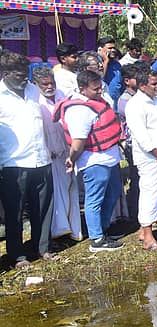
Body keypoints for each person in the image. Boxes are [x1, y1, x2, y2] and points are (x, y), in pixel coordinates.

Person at [55, 70, 125, 252]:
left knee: (113, 192)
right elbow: (78, 142)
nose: (100, 91)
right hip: (94, 161)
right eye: (95, 89)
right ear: (82, 89)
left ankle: (103, 229)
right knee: (94, 199)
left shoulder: (96, 100)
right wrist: (71, 159)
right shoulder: (78, 110)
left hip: (110, 158)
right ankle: (97, 239)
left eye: (100, 87)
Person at [0, 50, 53, 268]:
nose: (24, 79)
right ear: (5, 73)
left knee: (43, 208)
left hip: (42, 159)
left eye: (25, 74)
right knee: (15, 212)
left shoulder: (33, 90)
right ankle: (18, 255)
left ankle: (43, 248)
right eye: (19, 75)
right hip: (14, 163)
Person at [32, 66, 83, 242]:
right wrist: (48, 150)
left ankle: (74, 229)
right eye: (44, 84)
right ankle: (58, 231)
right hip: (49, 155)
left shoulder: (62, 95)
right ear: (36, 84)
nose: (49, 87)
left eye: (51, 83)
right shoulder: (35, 101)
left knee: (71, 189)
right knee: (56, 194)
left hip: (68, 151)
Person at [125, 67, 157, 251]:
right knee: (150, 195)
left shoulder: (152, 100)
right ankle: (148, 239)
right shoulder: (135, 105)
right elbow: (142, 136)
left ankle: (145, 232)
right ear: (142, 86)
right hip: (150, 157)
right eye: (154, 84)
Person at [117, 62, 146, 221]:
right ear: (127, 81)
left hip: (140, 143)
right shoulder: (125, 101)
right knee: (136, 177)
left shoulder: (139, 96)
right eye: (136, 78)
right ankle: (135, 211)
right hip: (133, 144)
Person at [98, 36, 123, 106]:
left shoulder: (116, 64)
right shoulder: (95, 62)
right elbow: (100, 77)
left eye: (114, 48)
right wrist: (105, 61)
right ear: (100, 49)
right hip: (103, 102)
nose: (113, 50)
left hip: (116, 101)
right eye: (110, 48)